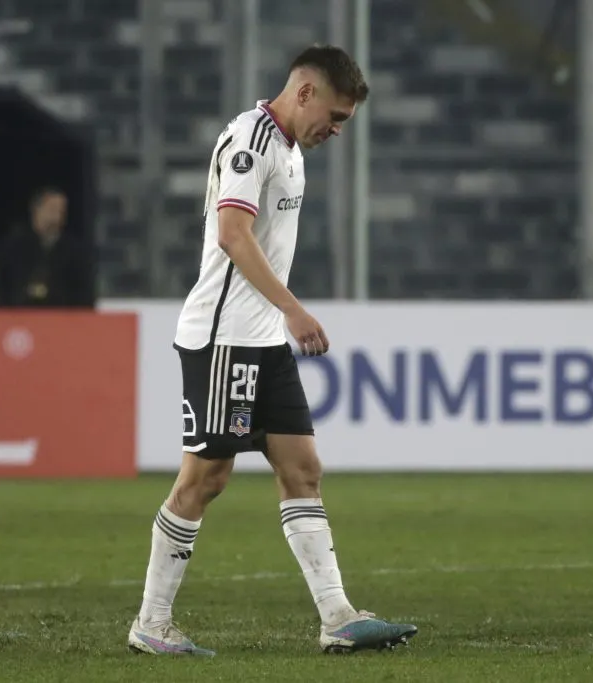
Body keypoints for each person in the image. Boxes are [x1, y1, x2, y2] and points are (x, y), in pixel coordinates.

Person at [127, 45, 417, 657]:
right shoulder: (251, 140)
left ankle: (336, 616)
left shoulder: (290, 149)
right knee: (205, 478)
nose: (336, 131)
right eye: (335, 117)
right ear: (305, 92)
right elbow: (232, 235)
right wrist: (293, 308)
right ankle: (151, 623)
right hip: (224, 337)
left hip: (263, 341)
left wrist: (279, 318)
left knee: (303, 468)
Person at [0, 187, 95, 308]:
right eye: (52, 209)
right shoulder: (13, 247)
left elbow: (84, 295)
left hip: (61, 316)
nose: (57, 216)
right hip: (19, 315)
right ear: (36, 209)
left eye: (62, 211)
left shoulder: (75, 251)